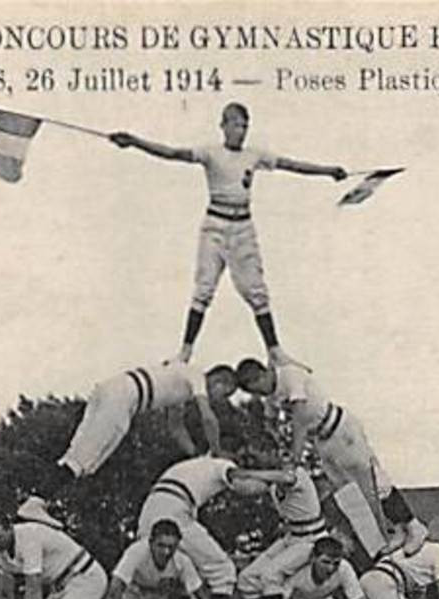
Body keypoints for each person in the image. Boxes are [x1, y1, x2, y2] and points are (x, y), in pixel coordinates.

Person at [108, 102, 347, 367]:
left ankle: (275, 352)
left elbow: (292, 165)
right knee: (203, 289)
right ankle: (185, 353)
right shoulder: (210, 153)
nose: (241, 131)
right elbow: (173, 153)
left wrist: (328, 171)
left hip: (243, 228)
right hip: (215, 228)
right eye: (235, 124)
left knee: (257, 292)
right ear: (223, 126)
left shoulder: (254, 155)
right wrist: (134, 141)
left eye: (245, 125)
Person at [233, 358, 419, 559]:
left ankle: (413, 526)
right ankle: (390, 536)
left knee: (374, 484)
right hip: (322, 440)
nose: (261, 394)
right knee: (349, 496)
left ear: (262, 374)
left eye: (257, 387)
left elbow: (300, 419)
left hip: (339, 428)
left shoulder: (289, 376)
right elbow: (272, 424)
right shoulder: (271, 397)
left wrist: (294, 458)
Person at [136, 455, 296, 599]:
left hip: (148, 515)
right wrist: (275, 481)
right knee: (223, 569)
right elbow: (244, 484)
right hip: (175, 510)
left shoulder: (191, 465)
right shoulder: (221, 464)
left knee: (182, 574)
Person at [54, 362, 230, 484]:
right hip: (125, 397)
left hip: (117, 391)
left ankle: (39, 497)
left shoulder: (183, 383)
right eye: (226, 393)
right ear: (219, 381)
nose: (222, 399)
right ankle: (37, 500)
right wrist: (217, 451)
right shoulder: (197, 376)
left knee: (80, 459)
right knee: (81, 461)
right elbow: (207, 417)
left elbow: (176, 427)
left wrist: (196, 455)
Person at [235, 464, 330, 599]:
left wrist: (249, 472)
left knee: (270, 576)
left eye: (257, 456)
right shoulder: (271, 483)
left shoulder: (296, 472)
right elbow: (252, 487)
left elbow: (286, 477)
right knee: (246, 579)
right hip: (292, 536)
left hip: (312, 538)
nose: (252, 460)